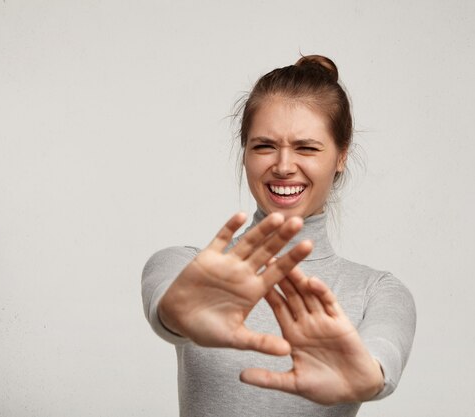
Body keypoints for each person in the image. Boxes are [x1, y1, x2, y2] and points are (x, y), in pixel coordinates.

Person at [141, 55, 416, 417]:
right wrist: (177, 316)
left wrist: (365, 376)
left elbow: (383, 359)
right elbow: (168, 307)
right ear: (245, 156)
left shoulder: (378, 291)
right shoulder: (185, 265)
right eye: (264, 146)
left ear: (341, 156)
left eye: (306, 147)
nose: (284, 166)